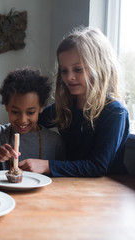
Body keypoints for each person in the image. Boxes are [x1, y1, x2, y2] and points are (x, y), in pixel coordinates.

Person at [19, 27, 129, 177]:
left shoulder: (114, 112)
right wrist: (2, 132)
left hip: (107, 189)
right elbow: (35, 119)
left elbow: (98, 166)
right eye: (64, 71)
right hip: (73, 183)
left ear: (100, 68)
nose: (69, 77)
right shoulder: (67, 105)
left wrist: (47, 165)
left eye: (78, 69)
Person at [0, 67, 65, 172]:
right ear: (6, 106)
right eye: (15, 112)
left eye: (30, 112)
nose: (22, 120)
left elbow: (63, 176)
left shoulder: (55, 141)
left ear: (41, 108)